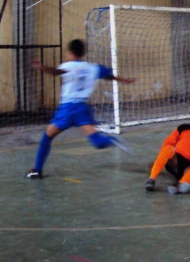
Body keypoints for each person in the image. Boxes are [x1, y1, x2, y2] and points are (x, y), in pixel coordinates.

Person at [25, 38, 135, 179]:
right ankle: (111, 140)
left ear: (70, 52)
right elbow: (108, 75)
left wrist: (42, 67)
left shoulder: (69, 66)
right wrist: (123, 80)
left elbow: (56, 72)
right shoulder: (92, 68)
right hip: (82, 108)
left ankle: (37, 170)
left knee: (47, 136)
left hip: (68, 108)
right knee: (96, 141)